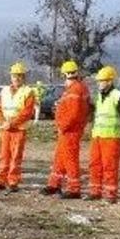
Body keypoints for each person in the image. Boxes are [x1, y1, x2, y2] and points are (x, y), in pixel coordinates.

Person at [42, 61, 90, 198]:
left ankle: (74, 189)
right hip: (68, 129)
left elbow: (74, 113)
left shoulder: (75, 89)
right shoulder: (77, 88)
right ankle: (54, 184)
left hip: (70, 130)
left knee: (70, 159)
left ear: (65, 74)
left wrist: (63, 126)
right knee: (60, 157)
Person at [86, 66, 120, 203]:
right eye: (99, 81)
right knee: (95, 164)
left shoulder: (118, 96)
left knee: (109, 166)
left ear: (110, 81)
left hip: (111, 138)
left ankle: (110, 194)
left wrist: (118, 129)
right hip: (98, 137)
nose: (99, 83)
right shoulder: (99, 96)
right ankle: (95, 191)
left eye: (102, 81)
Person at [0, 63, 36, 192]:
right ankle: (0, 180)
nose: (16, 78)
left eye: (19, 76)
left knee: (16, 156)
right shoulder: (4, 91)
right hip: (5, 129)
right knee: (3, 155)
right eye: (14, 76)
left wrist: (11, 123)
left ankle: (13, 181)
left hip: (18, 129)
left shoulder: (28, 92)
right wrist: (2, 121)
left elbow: (27, 112)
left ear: (23, 77)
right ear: (11, 77)